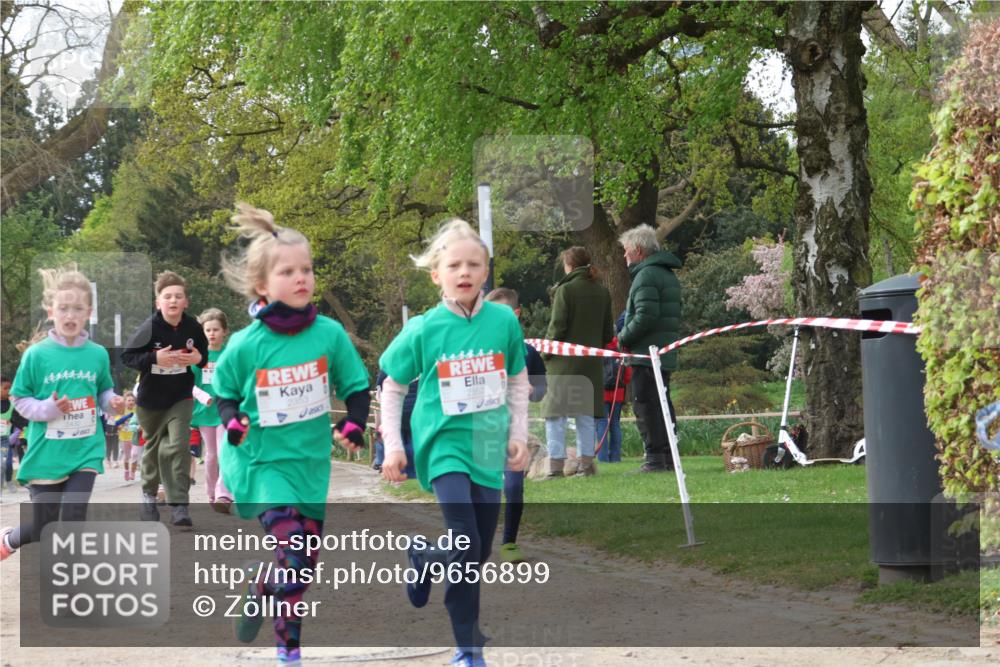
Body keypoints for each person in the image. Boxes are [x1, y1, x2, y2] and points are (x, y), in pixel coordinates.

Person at [212, 202, 370, 666]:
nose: (302, 278)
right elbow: (224, 395)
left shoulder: (329, 334)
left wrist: (354, 423)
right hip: (261, 464)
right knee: (295, 555)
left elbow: (356, 386)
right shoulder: (246, 344)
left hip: (310, 465)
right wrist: (233, 422)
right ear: (262, 285)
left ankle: (260, 586)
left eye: (307, 269)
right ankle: (290, 653)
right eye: (288, 272)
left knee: (299, 570)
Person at [380, 219, 530, 667]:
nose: (464, 272)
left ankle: (427, 558)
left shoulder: (503, 321)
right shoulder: (424, 328)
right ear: (436, 275)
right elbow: (392, 385)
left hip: (487, 442)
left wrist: (518, 436)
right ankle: (468, 648)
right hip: (442, 442)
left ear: (486, 272)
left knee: (478, 551)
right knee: (465, 541)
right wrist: (393, 445)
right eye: (454, 265)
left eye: (474, 265)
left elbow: (518, 380)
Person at [1, 266, 124, 560]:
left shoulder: (97, 354)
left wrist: (113, 403)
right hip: (47, 453)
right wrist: (49, 408)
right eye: (63, 308)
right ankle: (10, 539)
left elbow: (103, 392)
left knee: (73, 515)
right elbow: (19, 397)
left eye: (78, 309)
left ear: (89, 312)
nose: (70, 315)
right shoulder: (36, 355)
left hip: (85, 450)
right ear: (50, 311)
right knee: (43, 527)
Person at [122, 270, 209, 526]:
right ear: (158, 302)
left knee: (179, 445)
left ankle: (179, 504)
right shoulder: (148, 328)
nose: (173, 301)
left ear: (186, 302)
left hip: (181, 397)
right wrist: (154, 358)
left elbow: (203, 355)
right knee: (154, 449)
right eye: (167, 296)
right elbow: (127, 357)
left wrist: (198, 359)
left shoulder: (193, 327)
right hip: (151, 401)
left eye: (178, 296)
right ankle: (149, 496)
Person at [484, 287, 547, 564]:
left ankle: (509, 543)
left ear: (516, 314)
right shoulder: (478, 350)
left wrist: (533, 390)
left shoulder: (528, 352)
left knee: (513, 488)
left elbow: (542, 389)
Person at [541, 247, 613, 478]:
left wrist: (545, 353)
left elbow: (557, 327)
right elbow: (607, 333)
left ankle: (555, 468)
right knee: (585, 416)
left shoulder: (565, 290)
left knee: (555, 415)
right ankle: (586, 465)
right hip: (590, 363)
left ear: (569, 265)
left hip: (563, 363)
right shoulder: (602, 291)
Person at [617, 224, 682, 473]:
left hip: (646, 353)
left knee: (645, 404)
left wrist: (624, 337)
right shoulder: (665, 274)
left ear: (638, 251)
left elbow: (645, 315)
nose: (625, 255)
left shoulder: (646, 275)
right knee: (661, 403)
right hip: (662, 351)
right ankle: (667, 456)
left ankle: (655, 458)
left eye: (626, 250)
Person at [193, 307, 235, 513]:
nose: (212, 334)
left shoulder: (230, 354)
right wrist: (203, 397)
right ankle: (211, 493)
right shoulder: (198, 356)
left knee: (224, 452)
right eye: (208, 330)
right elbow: (188, 384)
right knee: (211, 455)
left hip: (226, 410)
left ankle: (223, 493)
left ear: (224, 331)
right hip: (205, 411)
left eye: (216, 329)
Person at [374, 370, 417, 479]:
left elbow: (380, 395)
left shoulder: (387, 369)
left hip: (397, 414)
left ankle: (383, 463)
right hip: (418, 414)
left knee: (388, 440)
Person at [596, 336, 631, 463]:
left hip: (601, 392)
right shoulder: (622, 347)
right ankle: (616, 457)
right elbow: (628, 376)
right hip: (618, 392)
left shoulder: (598, 347)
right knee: (615, 424)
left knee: (601, 423)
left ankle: (603, 458)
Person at [1, 376, 28, 493]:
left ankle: (8, 481)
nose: (8, 391)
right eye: (5, 388)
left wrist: (28, 426)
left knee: (6, 463)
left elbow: (19, 420)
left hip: (4, 440)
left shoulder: (12, 406)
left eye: (10, 388)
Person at [116, 392, 138, 480]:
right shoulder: (122, 411)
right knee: (127, 456)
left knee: (135, 454)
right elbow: (117, 423)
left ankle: (132, 472)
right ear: (125, 401)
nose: (131, 402)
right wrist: (121, 425)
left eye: (133, 400)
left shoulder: (137, 410)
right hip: (124, 437)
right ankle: (126, 471)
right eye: (129, 400)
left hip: (134, 436)